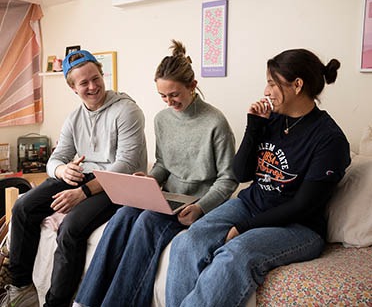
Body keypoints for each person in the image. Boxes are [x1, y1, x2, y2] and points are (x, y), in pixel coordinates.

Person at [166, 48, 351, 307]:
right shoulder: (272, 120)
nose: (266, 91)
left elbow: (303, 206)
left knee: (236, 253)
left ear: (297, 85)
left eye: (272, 83)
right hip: (249, 204)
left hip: (299, 227)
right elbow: (240, 174)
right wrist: (253, 126)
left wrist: (244, 227)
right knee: (187, 241)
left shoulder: (329, 139)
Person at [73, 40, 238, 307]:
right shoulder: (162, 119)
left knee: (147, 222)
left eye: (174, 94)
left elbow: (228, 179)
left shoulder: (215, 122)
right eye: (162, 96)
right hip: (167, 196)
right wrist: (150, 179)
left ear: (192, 86)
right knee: (123, 214)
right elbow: (163, 164)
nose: (168, 101)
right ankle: (85, 301)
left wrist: (201, 208)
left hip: (196, 202)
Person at [1, 50, 147, 307]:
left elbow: (124, 166)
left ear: (102, 75)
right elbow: (55, 160)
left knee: (71, 228)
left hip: (117, 183)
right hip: (83, 175)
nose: (93, 86)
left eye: (96, 78)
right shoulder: (74, 118)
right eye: (84, 83)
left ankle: (56, 302)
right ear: (73, 88)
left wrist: (83, 193)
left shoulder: (127, 111)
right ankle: (21, 286)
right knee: (23, 206)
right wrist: (62, 171)